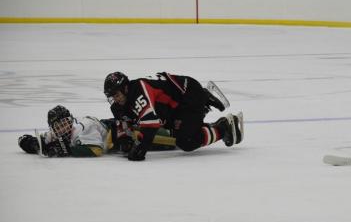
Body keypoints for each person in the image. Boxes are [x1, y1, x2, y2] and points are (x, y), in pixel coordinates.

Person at [103, 72, 243, 161]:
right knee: (174, 129)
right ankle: (203, 105)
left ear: (126, 88)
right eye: (112, 97)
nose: (116, 100)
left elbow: (150, 125)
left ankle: (224, 127)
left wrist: (140, 148)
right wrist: (124, 139)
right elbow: (124, 123)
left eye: (117, 95)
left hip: (188, 96)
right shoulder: (119, 105)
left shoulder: (138, 91)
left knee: (186, 141)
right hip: (176, 104)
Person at [18, 105, 175, 157]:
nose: (61, 129)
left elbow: (96, 149)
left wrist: (65, 150)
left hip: (119, 132)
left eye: (64, 124)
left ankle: (177, 132)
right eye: (57, 127)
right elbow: (35, 140)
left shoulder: (83, 129)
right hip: (109, 128)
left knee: (165, 139)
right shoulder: (56, 132)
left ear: (70, 120)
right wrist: (32, 144)